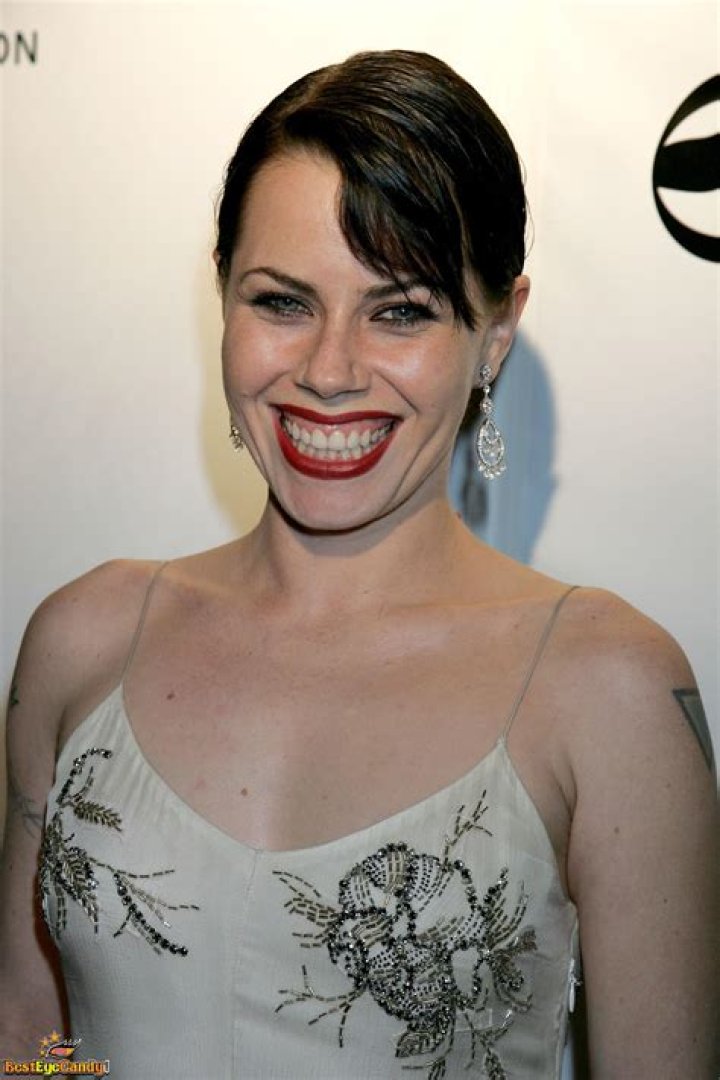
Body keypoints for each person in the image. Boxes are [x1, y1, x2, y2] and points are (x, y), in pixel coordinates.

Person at [0, 50, 717, 1079]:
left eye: (401, 310)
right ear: (222, 297)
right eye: (282, 302)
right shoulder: (82, 640)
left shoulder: (609, 688)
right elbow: (31, 1035)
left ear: (496, 333)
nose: (328, 371)